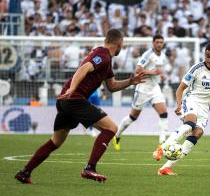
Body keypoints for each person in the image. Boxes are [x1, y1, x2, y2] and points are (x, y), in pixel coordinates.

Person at [14, 28, 146, 184]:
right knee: (111, 128)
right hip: (73, 98)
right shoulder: (102, 55)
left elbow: (112, 86)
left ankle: (25, 172)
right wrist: (72, 88)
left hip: (66, 101)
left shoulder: (106, 61)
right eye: (121, 45)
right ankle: (90, 168)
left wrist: (130, 82)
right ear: (119, 44)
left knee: (55, 142)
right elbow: (84, 68)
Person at [153, 43, 210, 175]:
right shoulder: (197, 68)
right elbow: (180, 88)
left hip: (205, 107)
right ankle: (162, 148)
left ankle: (166, 168)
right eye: (208, 56)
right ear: (205, 55)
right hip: (192, 100)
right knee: (191, 123)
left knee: (197, 133)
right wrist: (179, 104)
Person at [113, 34, 168, 151]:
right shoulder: (148, 54)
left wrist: (162, 75)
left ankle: (161, 145)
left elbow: (158, 69)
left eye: (161, 42)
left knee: (164, 114)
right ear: (153, 43)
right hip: (143, 88)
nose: (159, 44)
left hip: (155, 88)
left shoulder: (162, 56)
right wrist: (153, 73)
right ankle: (117, 135)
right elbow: (137, 69)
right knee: (133, 117)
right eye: (157, 42)